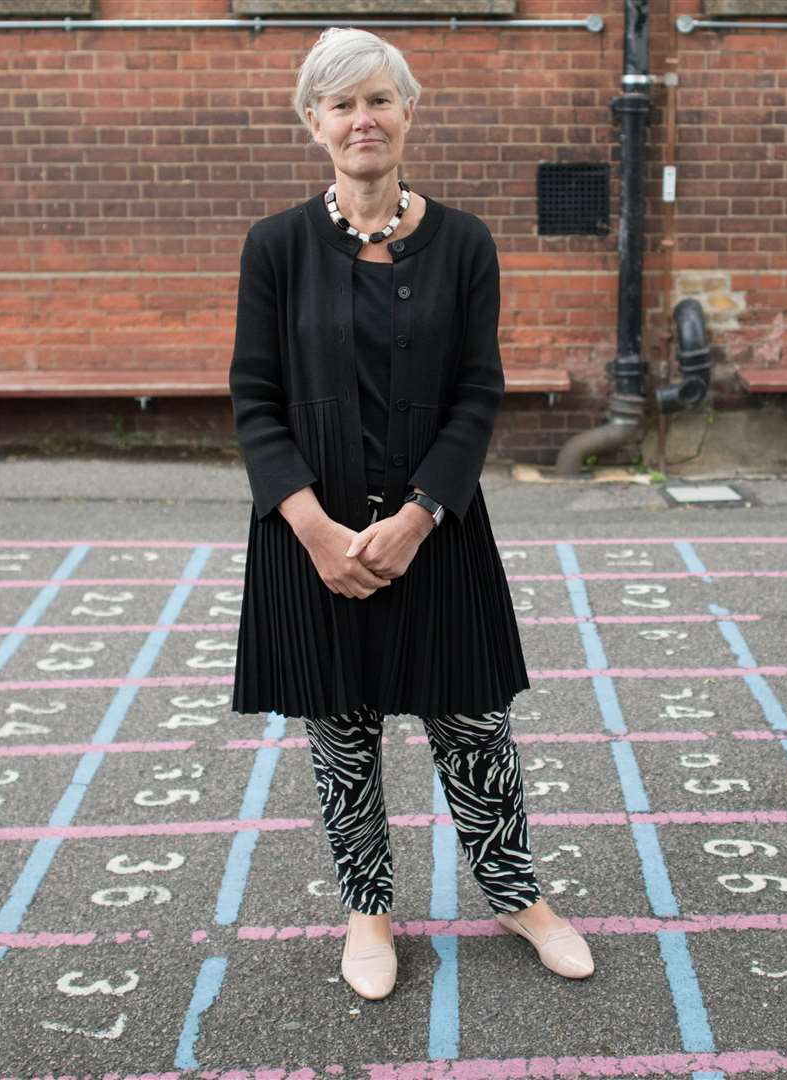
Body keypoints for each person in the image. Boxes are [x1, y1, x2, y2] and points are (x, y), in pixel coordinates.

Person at [227, 27, 594, 1000]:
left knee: (475, 725)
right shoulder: (275, 247)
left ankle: (517, 894)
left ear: (408, 112)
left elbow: (477, 394)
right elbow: (254, 402)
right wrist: (314, 531)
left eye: (378, 99)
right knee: (341, 737)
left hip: (438, 533)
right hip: (314, 539)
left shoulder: (465, 242)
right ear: (314, 122)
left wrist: (421, 514)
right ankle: (369, 909)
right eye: (341, 104)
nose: (362, 120)